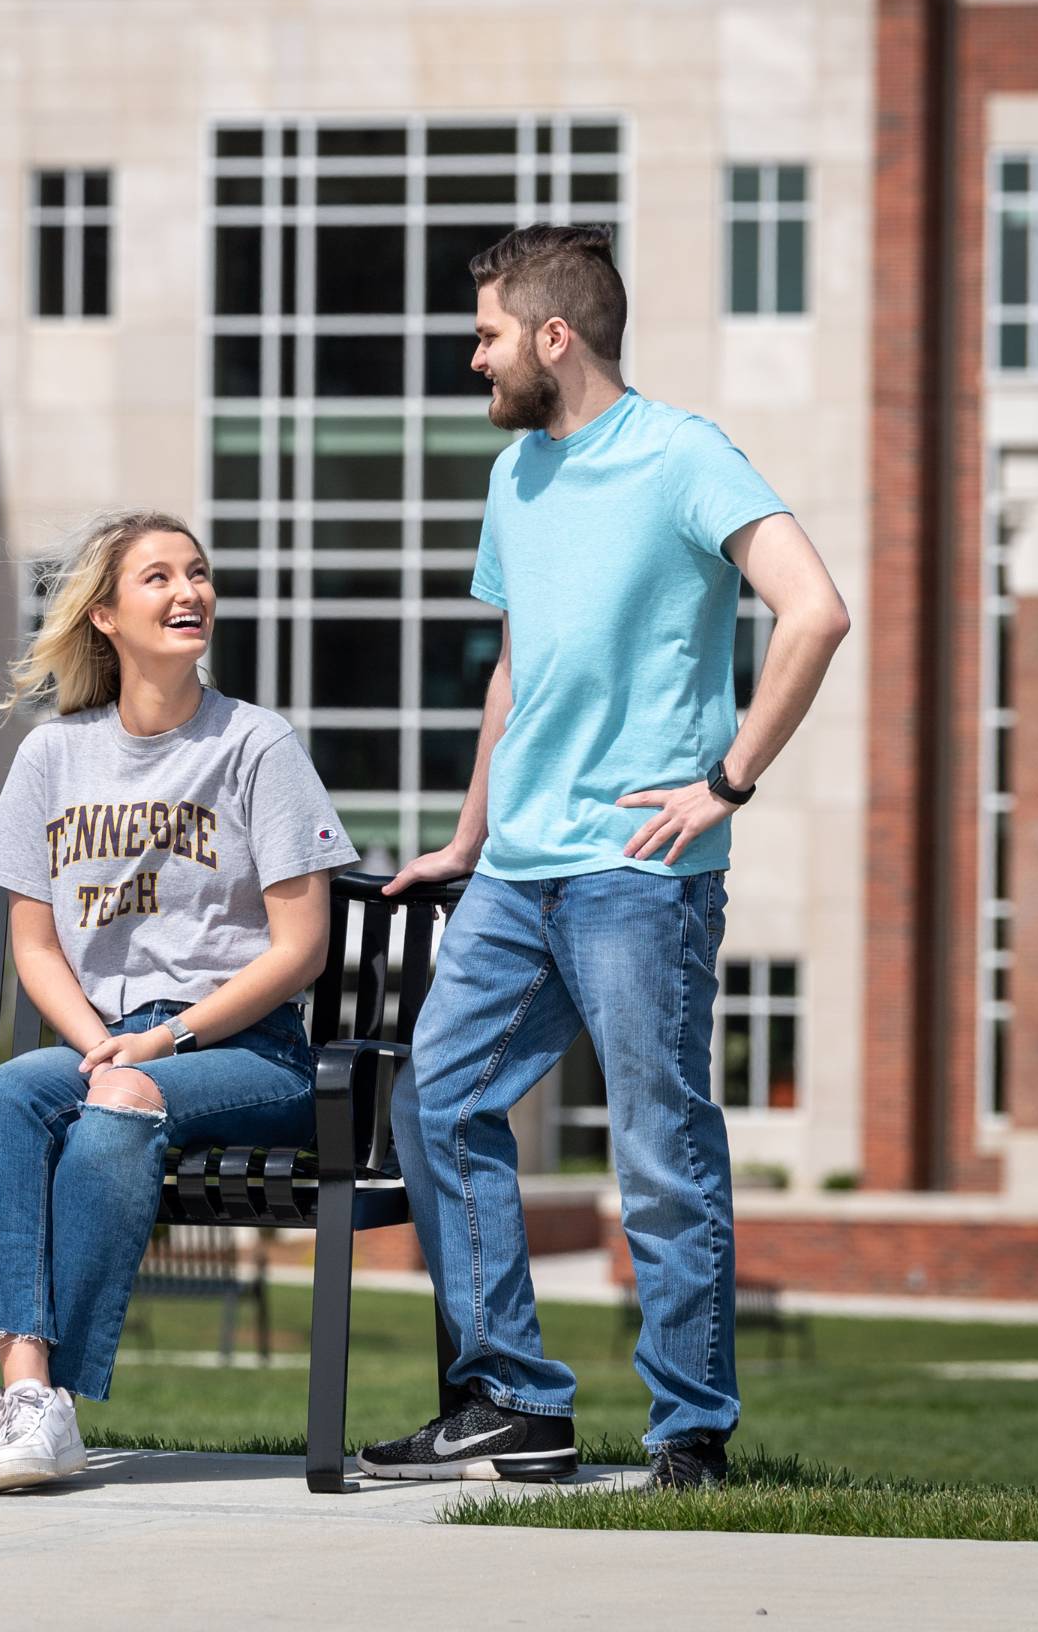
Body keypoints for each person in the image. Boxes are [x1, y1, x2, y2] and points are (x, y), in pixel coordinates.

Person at [359, 225, 848, 1492]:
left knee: (658, 1143)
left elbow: (816, 607)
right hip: (519, 870)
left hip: (642, 871)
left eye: (487, 334)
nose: (475, 358)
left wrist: (727, 780)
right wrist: (469, 838)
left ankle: (689, 1430)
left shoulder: (682, 454)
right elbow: (518, 670)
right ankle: (513, 1399)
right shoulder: (517, 475)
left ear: (554, 336)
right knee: (441, 1095)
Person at [0, 511, 355, 1493]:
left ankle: (57, 1402)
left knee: (117, 1103)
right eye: (158, 576)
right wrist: (102, 1042)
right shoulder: (53, 756)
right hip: (109, 1040)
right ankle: (25, 1393)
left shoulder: (258, 744)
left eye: (197, 573)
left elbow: (301, 948)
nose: (187, 591)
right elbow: (33, 944)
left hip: (247, 1048)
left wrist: (159, 1040)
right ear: (106, 615)